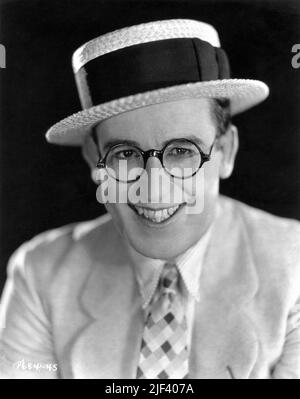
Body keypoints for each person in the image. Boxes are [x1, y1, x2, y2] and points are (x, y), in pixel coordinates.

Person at [0, 18, 299, 379]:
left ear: (226, 151)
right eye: (124, 155)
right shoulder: (41, 274)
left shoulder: (294, 267)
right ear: (93, 161)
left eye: (181, 152)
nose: (154, 188)